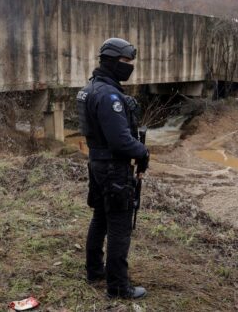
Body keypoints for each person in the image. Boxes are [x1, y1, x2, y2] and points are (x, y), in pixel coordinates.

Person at [76, 37, 150, 299]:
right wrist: (143, 151)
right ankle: (118, 286)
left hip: (97, 162)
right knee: (119, 224)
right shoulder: (109, 95)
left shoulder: (90, 88)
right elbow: (120, 141)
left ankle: (95, 270)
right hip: (113, 167)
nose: (129, 66)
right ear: (111, 61)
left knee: (100, 218)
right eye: (125, 61)